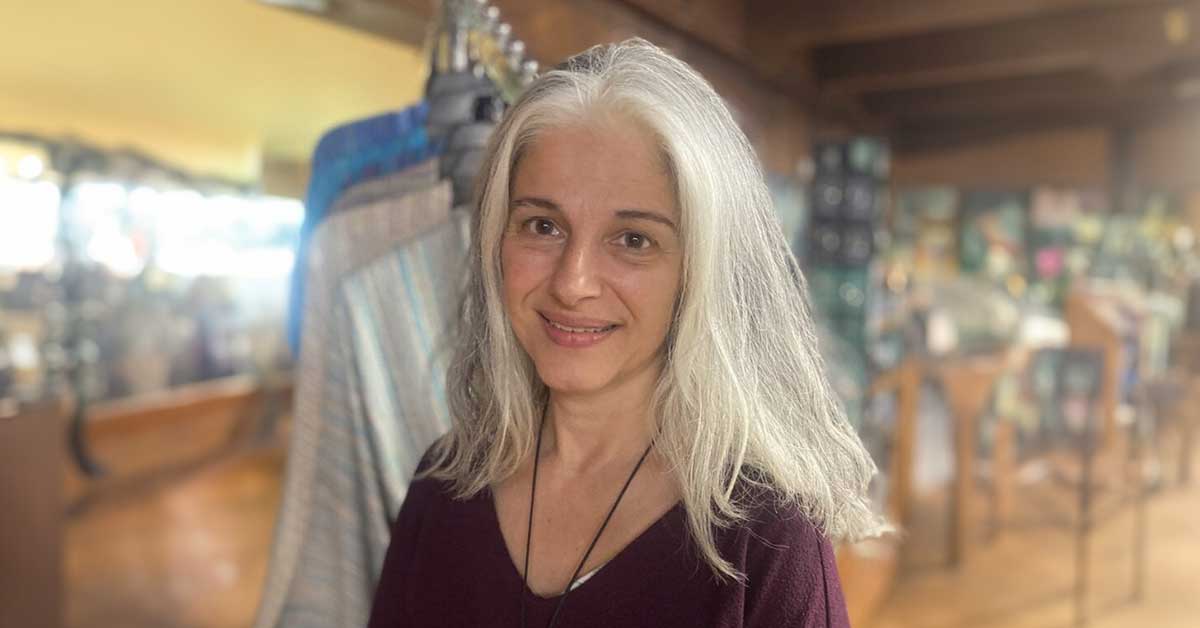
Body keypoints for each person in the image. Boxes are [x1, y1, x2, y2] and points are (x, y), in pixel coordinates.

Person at [367, 38, 887, 628]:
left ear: (697, 272)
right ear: (496, 242)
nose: (574, 283)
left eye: (634, 240)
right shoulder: (444, 486)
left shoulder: (766, 538)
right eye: (542, 225)